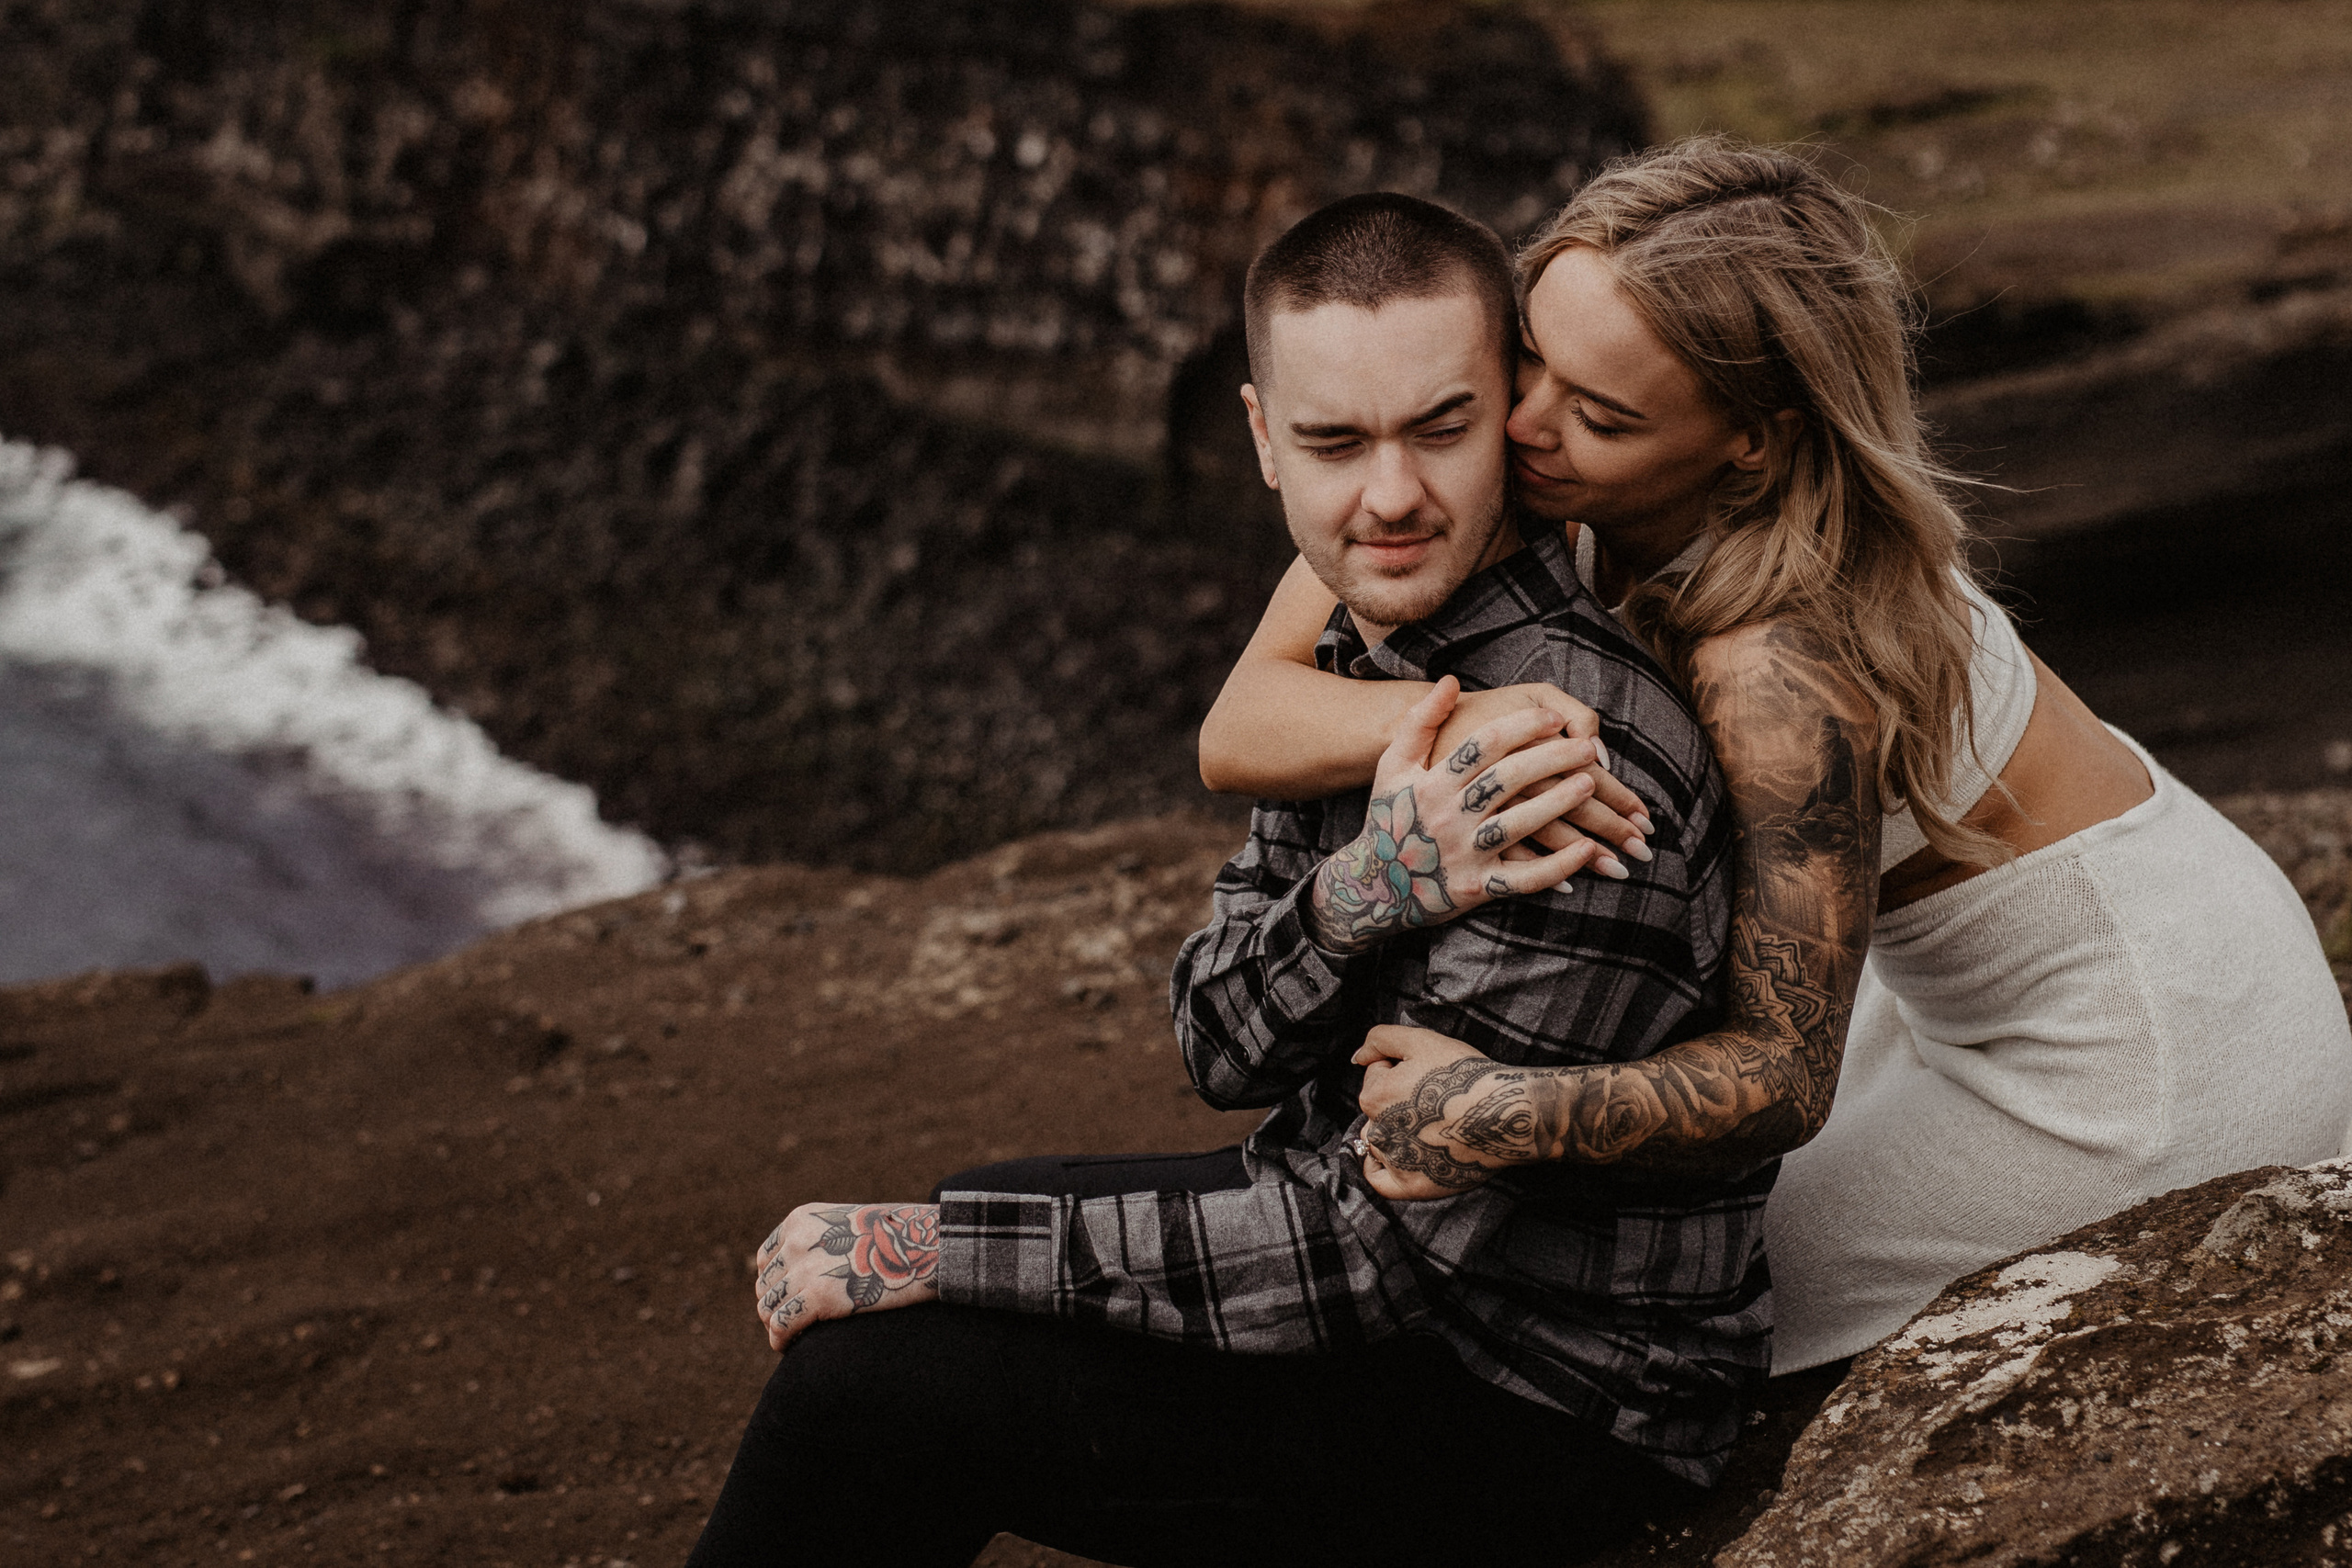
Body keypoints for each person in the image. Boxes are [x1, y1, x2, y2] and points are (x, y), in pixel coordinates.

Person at [687, 193, 1761, 1568]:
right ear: (1263, 436)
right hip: (1416, 1284)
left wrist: (926, 1254)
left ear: (1510, 413)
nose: (1389, 496)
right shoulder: (1357, 659)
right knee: (973, 1210)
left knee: (869, 1387)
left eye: (1441, 428)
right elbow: (1220, 1040)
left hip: (1550, 1400)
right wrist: (1374, 887)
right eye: (1334, 441)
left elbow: (1370, 1257)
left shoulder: (1563, 770)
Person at [1198, 137, 2352, 1374]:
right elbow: (1238, 728)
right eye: (1529, 355)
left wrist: (1497, 1109)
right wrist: (1466, 717)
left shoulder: (1778, 666)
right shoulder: (1509, 455)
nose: (1521, 427)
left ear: (1752, 441)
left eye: (1597, 412)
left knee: (1657, 1300)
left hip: (2132, 1046)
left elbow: (1781, 1075)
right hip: (1909, 986)